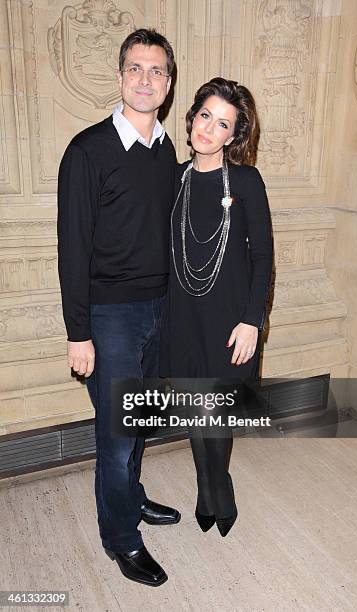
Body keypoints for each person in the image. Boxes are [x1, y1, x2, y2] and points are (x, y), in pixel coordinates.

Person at [57, 28, 181, 588]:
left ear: (169, 83)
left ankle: (131, 499)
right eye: (136, 68)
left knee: (142, 420)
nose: (145, 79)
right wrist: (78, 332)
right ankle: (121, 539)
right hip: (109, 317)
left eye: (156, 71)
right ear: (120, 76)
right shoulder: (87, 151)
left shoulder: (167, 149)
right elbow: (73, 247)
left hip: (159, 307)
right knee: (117, 434)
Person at [160, 77, 273, 537]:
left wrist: (253, 320)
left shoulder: (246, 181)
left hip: (229, 319)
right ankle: (205, 485)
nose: (209, 128)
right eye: (205, 115)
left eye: (221, 123)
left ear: (233, 135)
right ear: (192, 118)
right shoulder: (173, 177)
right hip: (181, 315)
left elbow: (263, 255)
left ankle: (217, 486)